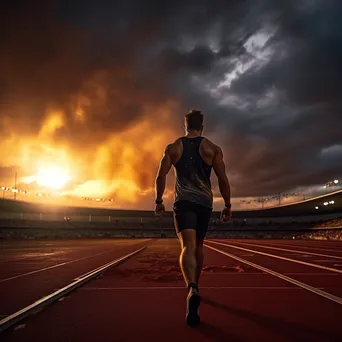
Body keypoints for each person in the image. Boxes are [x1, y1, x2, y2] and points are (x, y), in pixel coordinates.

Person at [154, 109, 232, 326]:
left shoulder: (173, 147)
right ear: (202, 127)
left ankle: (191, 288)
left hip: (184, 202)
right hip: (204, 203)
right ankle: (196, 284)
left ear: (185, 126)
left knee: (187, 246)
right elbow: (223, 180)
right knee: (199, 245)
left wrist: (159, 200)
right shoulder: (212, 149)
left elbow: (160, 176)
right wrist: (227, 205)